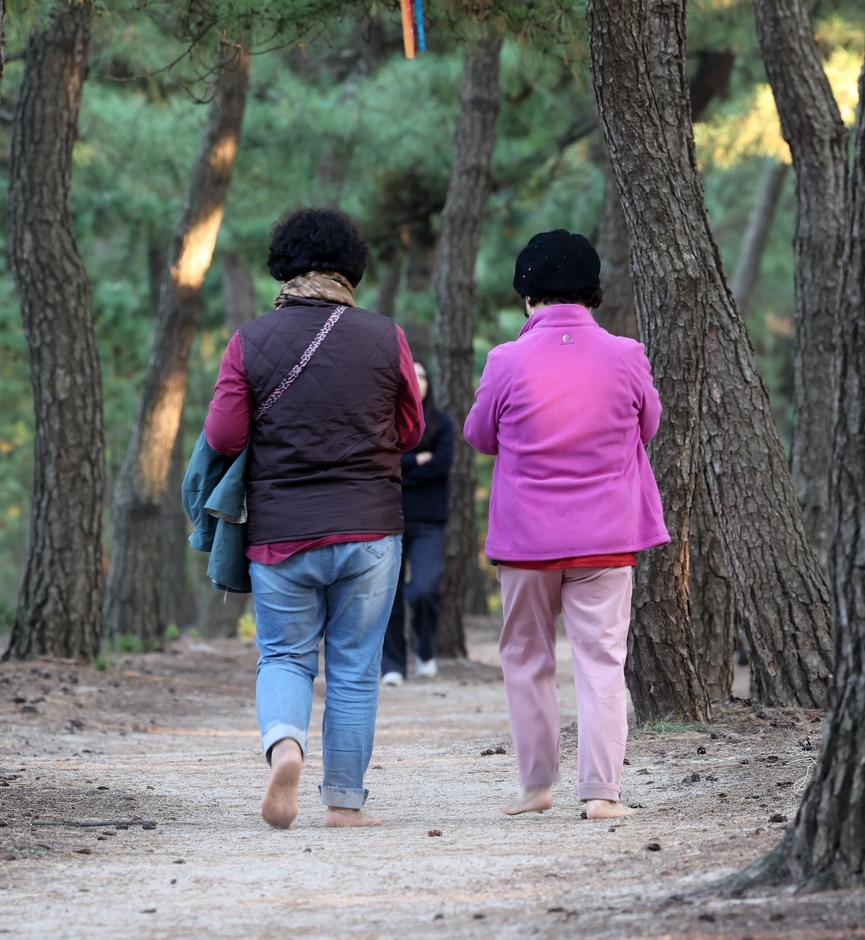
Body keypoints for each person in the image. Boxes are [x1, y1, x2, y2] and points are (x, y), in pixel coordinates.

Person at [203, 207, 424, 829]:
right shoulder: (387, 336)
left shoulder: (250, 340)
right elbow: (411, 429)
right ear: (352, 267)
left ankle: (287, 748)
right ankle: (345, 806)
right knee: (355, 668)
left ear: (282, 266)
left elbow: (223, 435)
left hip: (281, 534)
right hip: (370, 527)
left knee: (283, 657)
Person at [463, 229, 669, 822]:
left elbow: (480, 437)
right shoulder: (627, 354)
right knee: (602, 659)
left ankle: (535, 786)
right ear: (591, 294)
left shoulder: (505, 360)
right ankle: (602, 794)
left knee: (527, 657)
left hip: (528, 540)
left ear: (528, 298)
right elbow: (647, 426)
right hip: (608, 537)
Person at [380, 359, 453, 686]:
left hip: (429, 522)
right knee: (388, 595)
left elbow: (441, 466)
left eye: (424, 375)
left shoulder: (443, 423)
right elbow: (384, 466)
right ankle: (393, 664)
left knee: (423, 589)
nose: (418, 380)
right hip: (389, 519)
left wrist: (404, 466)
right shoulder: (387, 423)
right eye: (414, 375)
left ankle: (425, 648)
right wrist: (417, 459)